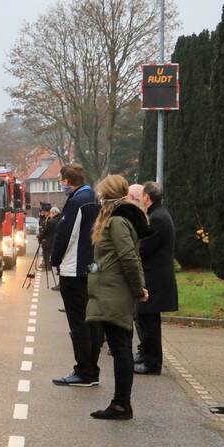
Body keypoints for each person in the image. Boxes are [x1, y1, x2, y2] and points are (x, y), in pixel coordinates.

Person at [85, 175, 151, 419]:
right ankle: (121, 402)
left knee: (121, 348)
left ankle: (122, 404)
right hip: (111, 290)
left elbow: (128, 257)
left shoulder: (118, 222)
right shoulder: (114, 219)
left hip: (115, 293)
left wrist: (137, 288)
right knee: (119, 346)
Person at [50, 163, 102, 387]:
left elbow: (65, 234)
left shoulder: (77, 202)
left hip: (74, 269)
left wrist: (55, 260)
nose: (61, 184)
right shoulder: (93, 198)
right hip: (91, 267)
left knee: (78, 322)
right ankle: (92, 368)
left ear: (67, 180)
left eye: (61, 180)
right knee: (91, 321)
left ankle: (84, 370)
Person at [134, 181, 178, 375]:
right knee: (145, 318)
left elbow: (145, 246)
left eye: (142, 195)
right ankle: (147, 357)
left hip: (155, 277)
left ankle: (153, 363)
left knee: (149, 321)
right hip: (155, 275)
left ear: (146, 197)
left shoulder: (157, 218)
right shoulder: (158, 215)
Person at [39, 206, 61, 286]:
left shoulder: (51, 221)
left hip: (49, 242)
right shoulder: (61, 219)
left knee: (47, 254)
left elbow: (45, 232)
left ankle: (48, 266)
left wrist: (40, 238)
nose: (50, 215)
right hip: (57, 242)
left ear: (54, 213)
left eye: (51, 213)